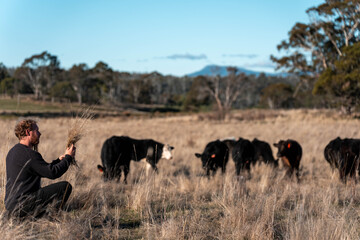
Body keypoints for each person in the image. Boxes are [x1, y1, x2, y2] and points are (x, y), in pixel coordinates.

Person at [5, 119, 76, 219]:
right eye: (37, 130)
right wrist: (68, 158)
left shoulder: (13, 151)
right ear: (27, 132)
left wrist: (58, 161)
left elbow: (40, 169)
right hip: (23, 204)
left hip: (11, 206)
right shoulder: (30, 154)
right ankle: (49, 217)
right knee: (65, 187)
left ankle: (39, 215)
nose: (40, 133)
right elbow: (53, 173)